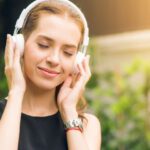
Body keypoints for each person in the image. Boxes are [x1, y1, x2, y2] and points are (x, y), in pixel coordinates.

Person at [0, 0, 101, 149]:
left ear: (77, 60)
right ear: (20, 45)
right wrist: (16, 92)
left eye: (68, 53)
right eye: (43, 45)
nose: (54, 59)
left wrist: (69, 112)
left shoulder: (87, 125)